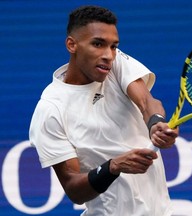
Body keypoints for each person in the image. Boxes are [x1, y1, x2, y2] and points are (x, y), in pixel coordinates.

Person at [29, 5, 179, 216]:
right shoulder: (51, 109)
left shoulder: (116, 65)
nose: (108, 55)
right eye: (98, 44)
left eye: (113, 46)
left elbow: (147, 102)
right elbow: (74, 189)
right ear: (72, 45)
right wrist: (113, 167)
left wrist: (156, 124)